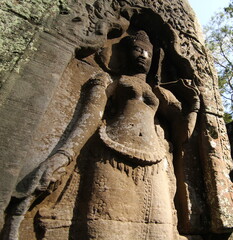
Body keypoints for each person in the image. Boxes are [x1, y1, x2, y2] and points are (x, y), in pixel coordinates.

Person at [20, 30, 199, 239]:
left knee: (160, 231)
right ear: (123, 54)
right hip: (110, 154)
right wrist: (64, 155)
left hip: (155, 162)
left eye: (148, 53)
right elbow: (89, 117)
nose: (143, 55)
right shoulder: (110, 80)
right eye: (137, 49)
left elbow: (182, 134)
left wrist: (194, 106)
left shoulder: (159, 93)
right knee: (103, 231)